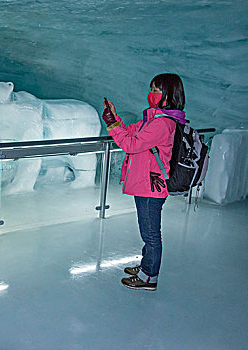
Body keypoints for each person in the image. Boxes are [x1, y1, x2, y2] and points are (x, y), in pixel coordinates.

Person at [102, 73, 187, 291]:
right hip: (147, 183)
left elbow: (131, 144)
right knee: (147, 231)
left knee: (150, 234)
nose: (152, 94)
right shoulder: (155, 120)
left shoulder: (162, 124)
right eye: (151, 88)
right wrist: (114, 117)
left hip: (152, 186)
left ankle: (149, 276)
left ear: (168, 94)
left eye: (156, 90)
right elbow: (130, 131)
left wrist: (112, 125)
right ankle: (145, 265)